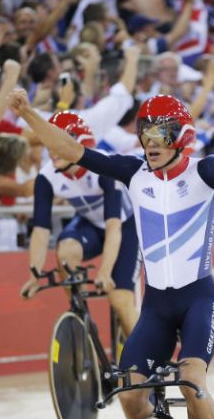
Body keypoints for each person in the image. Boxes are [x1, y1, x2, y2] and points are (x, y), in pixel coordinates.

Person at [16, 91, 214, 419]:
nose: (150, 142)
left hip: (198, 300)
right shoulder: (133, 172)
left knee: (192, 383)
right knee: (130, 393)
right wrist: (28, 113)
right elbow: (72, 149)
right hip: (156, 306)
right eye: (144, 133)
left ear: (181, 137)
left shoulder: (202, 173)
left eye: (159, 134)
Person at [20, 112, 140, 338]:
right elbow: (40, 229)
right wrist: (35, 275)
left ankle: (147, 361)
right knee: (65, 253)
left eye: (59, 144)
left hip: (125, 226)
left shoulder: (103, 167)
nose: (52, 151)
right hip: (91, 224)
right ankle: (83, 320)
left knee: (119, 300)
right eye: (49, 144)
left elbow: (114, 226)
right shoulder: (46, 176)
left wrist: (105, 272)